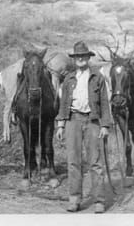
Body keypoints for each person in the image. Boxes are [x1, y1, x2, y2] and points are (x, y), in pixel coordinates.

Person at [55, 41, 112, 214]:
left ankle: (99, 201)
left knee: (95, 162)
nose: (80, 59)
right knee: (73, 162)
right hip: (73, 120)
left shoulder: (97, 78)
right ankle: (74, 199)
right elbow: (64, 103)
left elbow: (104, 102)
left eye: (83, 56)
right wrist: (60, 125)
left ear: (88, 58)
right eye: (77, 56)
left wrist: (105, 125)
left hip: (93, 122)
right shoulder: (68, 79)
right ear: (74, 59)